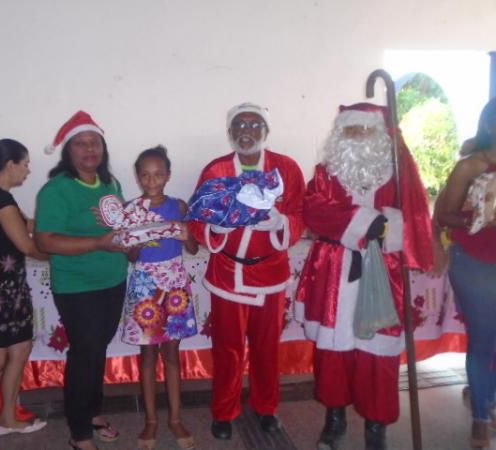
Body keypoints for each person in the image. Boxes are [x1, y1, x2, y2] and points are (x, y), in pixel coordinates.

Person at [296, 103, 433, 450]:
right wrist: (362, 220)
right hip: (334, 272)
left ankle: (376, 426)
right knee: (333, 349)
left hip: (382, 272)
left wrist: (387, 225)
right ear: (340, 135)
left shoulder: (400, 172)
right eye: (351, 130)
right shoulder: (326, 172)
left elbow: (416, 213)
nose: (358, 137)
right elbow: (312, 208)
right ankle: (335, 417)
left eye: (365, 130)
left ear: (381, 134)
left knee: (378, 353)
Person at [188, 102, 306, 440]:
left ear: (266, 131)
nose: (247, 131)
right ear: (229, 133)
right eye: (240, 124)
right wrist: (218, 230)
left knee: (268, 347)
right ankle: (224, 411)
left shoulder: (288, 169)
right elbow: (198, 218)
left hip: (270, 274)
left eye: (255, 125)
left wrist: (282, 222)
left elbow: (300, 213)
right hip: (228, 274)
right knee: (228, 349)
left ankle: (266, 408)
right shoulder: (216, 171)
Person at [34, 111, 128, 450]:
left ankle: (92, 411)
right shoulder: (56, 190)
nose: (90, 149)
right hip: (77, 287)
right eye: (81, 143)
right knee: (85, 351)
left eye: (95, 142)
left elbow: (119, 227)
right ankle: (79, 432)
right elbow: (45, 241)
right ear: (67, 151)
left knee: (96, 349)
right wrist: (97, 243)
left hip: (113, 279)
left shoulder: (111, 184)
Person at [121, 146, 198, 450]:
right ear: (138, 177)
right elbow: (130, 256)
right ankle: (151, 420)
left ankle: (175, 418)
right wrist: (138, 237)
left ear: (168, 175)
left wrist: (185, 235)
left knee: (172, 355)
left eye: (158, 174)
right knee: (148, 357)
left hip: (175, 283)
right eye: (145, 175)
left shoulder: (179, 206)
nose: (151, 180)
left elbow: (192, 247)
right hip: (145, 285)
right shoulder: (131, 209)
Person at [0, 139, 48, 436]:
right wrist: (64, 253)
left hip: (10, 289)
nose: (28, 171)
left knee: (18, 350)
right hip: (0, 292)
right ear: (10, 165)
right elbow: (27, 246)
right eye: (25, 164)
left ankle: (5, 416)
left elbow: (30, 226)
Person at [437, 98, 496, 449]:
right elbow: (445, 216)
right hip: (475, 261)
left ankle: (488, 397)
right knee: (484, 337)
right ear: (489, 125)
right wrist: (482, 218)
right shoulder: (470, 167)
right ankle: (480, 416)